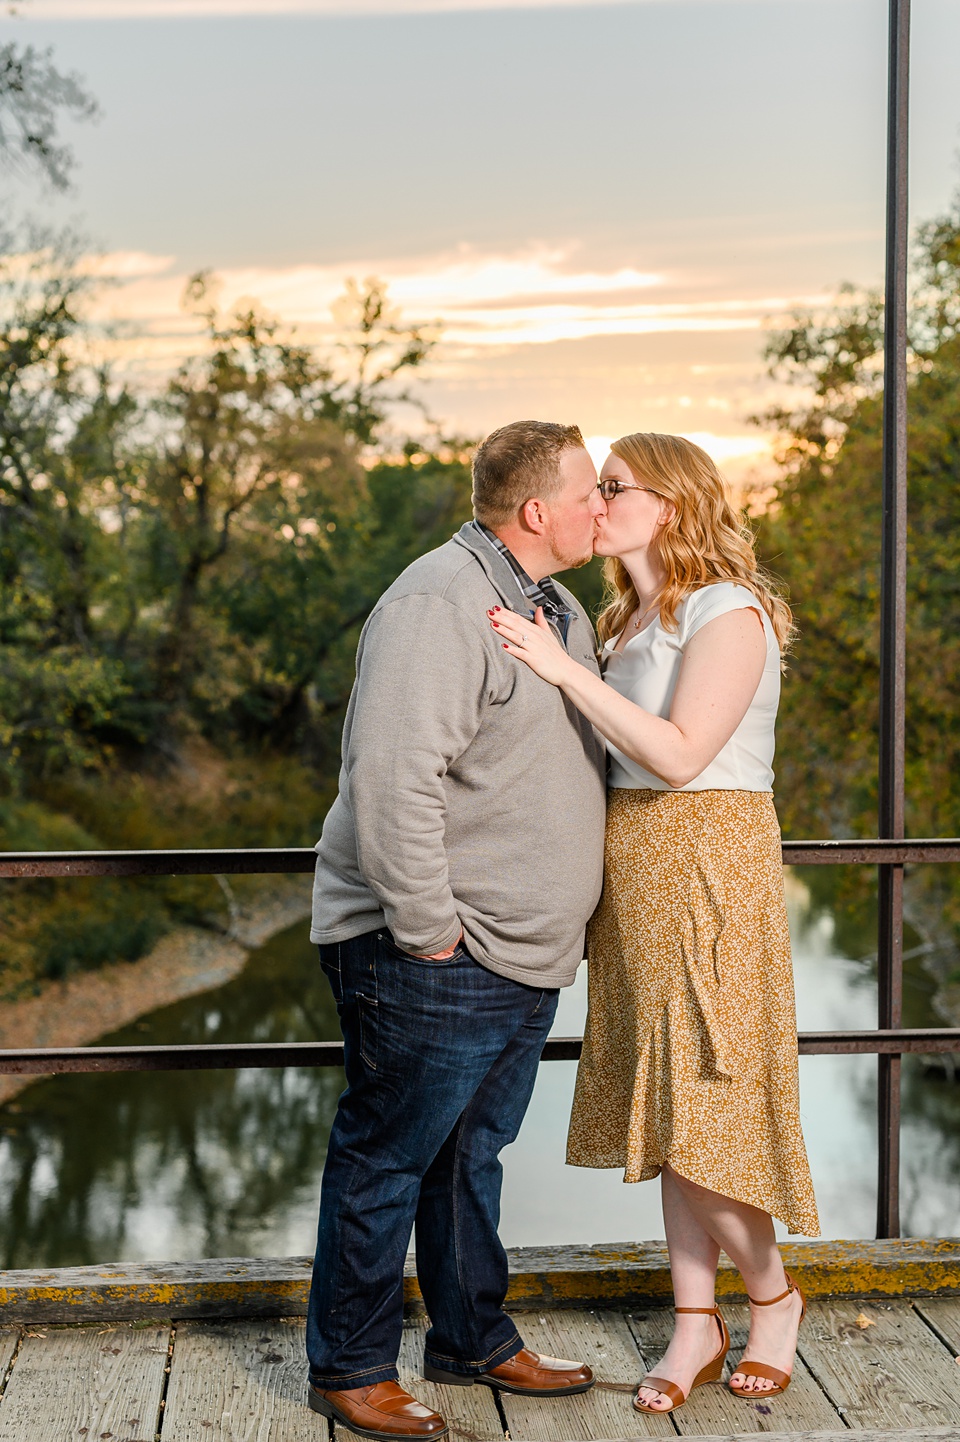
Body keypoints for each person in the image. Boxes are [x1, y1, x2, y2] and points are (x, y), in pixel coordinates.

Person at [489, 431, 820, 1418]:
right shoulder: (627, 617)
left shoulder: (731, 609)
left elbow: (679, 757)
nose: (597, 498)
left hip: (711, 864)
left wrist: (556, 664)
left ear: (669, 502)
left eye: (614, 485)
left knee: (708, 1105)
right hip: (634, 874)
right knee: (670, 1113)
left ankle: (773, 1298)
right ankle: (693, 1321)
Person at [305, 420, 608, 1441]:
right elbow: (393, 778)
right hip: (441, 947)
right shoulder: (439, 602)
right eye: (585, 491)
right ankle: (350, 1364)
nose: (598, 506)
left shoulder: (556, 605)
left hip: (518, 950)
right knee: (387, 1156)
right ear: (536, 510)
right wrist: (430, 928)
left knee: (471, 1153)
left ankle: (470, 1335)